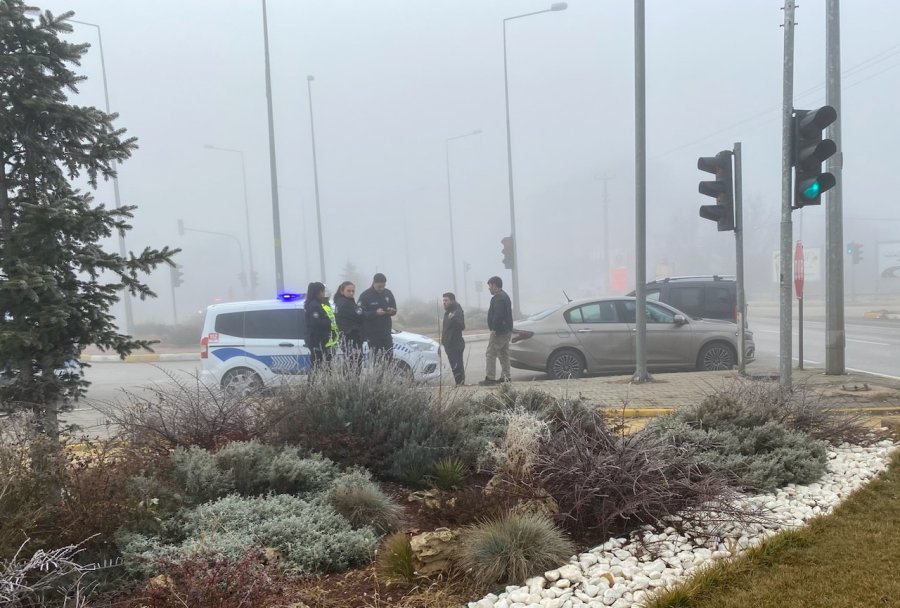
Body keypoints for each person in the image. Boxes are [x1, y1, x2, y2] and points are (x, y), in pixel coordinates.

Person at [480, 275, 513, 386]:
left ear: (494, 285)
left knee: (490, 353)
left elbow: (498, 315)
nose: (489, 288)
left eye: (489, 286)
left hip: (499, 331)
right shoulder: (505, 296)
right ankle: (506, 377)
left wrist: (494, 328)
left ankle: (490, 378)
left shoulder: (499, 298)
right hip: (506, 330)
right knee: (504, 354)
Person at [359, 272, 397, 361]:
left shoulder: (388, 293)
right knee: (376, 360)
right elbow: (360, 314)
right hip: (372, 335)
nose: (381, 289)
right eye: (379, 287)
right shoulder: (365, 295)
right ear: (374, 283)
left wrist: (391, 311)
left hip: (386, 334)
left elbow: (395, 309)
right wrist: (375, 313)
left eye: (383, 286)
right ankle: (376, 375)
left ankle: (388, 375)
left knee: (389, 359)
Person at [304, 282, 336, 371]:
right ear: (319, 292)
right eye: (323, 291)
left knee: (321, 367)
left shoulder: (319, 304)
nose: (324, 293)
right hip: (317, 340)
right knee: (316, 367)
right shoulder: (314, 305)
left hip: (321, 340)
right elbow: (316, 323)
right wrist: (329, 321)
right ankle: (313, 384)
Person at [334, 281, 364, 366]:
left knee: (353, 362)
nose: (351, 293)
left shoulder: (346, 302)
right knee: (353, 363)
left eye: (353, 291)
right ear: (342, 291)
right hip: (350, 337)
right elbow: (361, 315)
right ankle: (350, 379)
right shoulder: (344, 303)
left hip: (350, 337)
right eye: (348, 291)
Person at [441, 292, 466, 386]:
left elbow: (462, 326)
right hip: (449, 344)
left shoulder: (456, 311)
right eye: (443, 300)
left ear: (452, 301)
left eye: (446, 300)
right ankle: (459, 383)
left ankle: (460, 384)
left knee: (457, 366)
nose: (444, 302)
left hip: (455, 344)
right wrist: (444, 341)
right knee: (454, 366)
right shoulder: (448, 312)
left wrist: (454, 318)